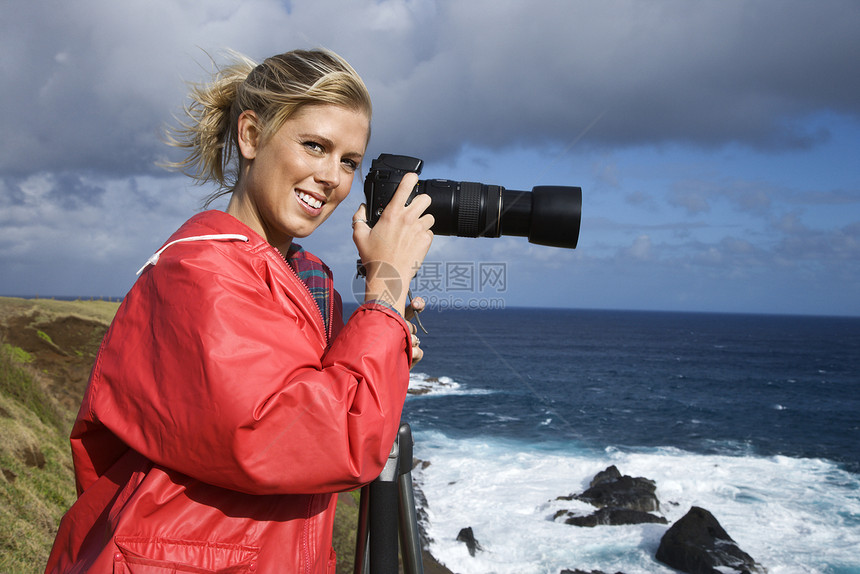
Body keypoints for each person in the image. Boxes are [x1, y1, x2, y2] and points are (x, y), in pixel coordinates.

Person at [45, 48, 434, 573]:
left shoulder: (305, 278)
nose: (331, 177)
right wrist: (386, 292)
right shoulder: (200, 275)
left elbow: (333, 401)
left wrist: (383, 326)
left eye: (349, 161)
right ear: (251, 135)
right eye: (314, 146)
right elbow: (330, 438)